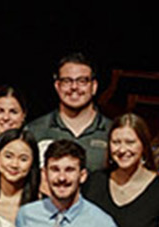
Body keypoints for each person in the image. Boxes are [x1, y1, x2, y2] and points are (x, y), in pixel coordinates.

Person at [25, 54, 113, 183]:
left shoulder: (112, 132)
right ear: (57, 86)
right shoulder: (35, 131)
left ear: (94, 87)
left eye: (82, 81)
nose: (74, 87)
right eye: (67, 81)